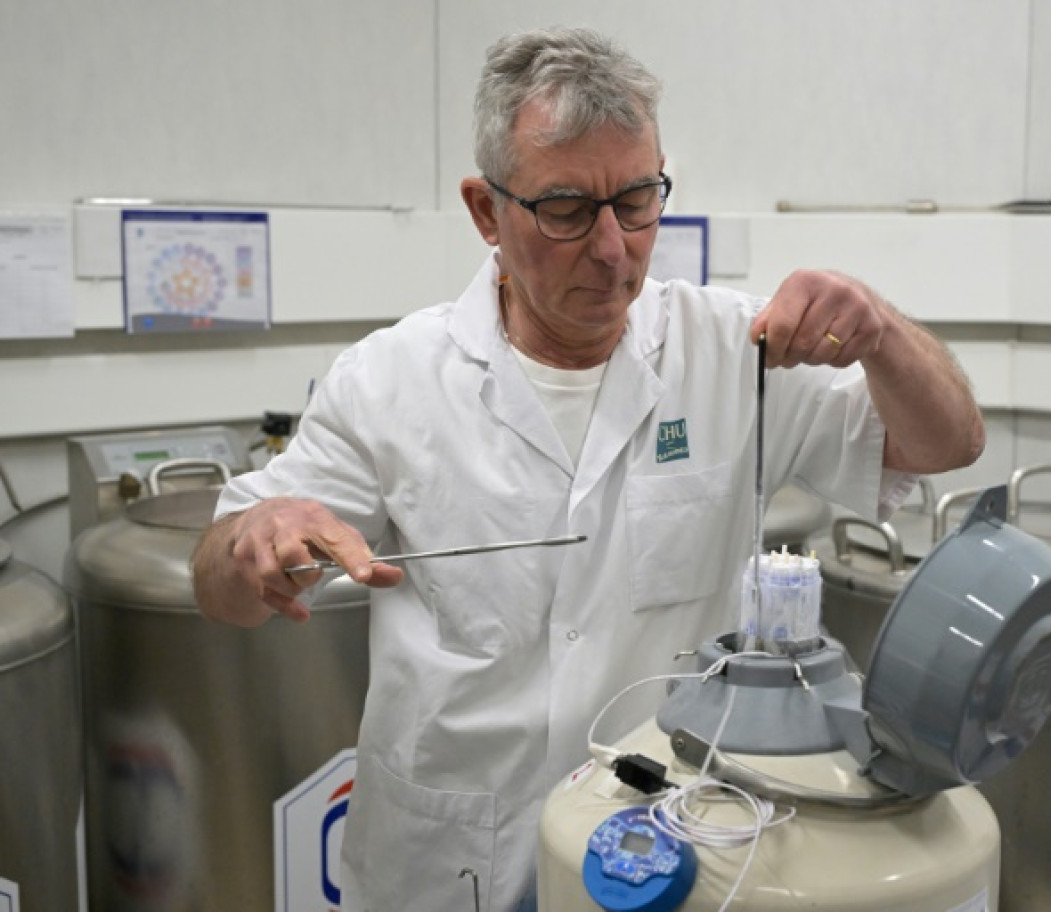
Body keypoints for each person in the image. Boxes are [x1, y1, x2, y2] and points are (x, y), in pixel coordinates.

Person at [191, 25, 984, 912]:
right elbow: (219, 587)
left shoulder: (734, 352)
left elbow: (948, 442)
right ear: (487, 211)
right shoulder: (391, 381)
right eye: (567, 210)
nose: (613, 249)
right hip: (450, 869)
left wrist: (881, 333)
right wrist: (250, 545)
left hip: (662, 859)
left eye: (638, 200)